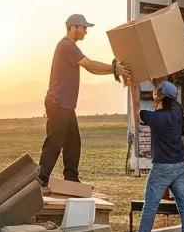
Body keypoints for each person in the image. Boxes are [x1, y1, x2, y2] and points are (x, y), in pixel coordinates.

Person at [37, 13, 128, 186]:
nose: (86, 31)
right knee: (54, 143)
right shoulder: (66, 46)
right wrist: (115, 68)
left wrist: (114, 70)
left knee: (73, 143)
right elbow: (90, 64)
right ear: (73, 28)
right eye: (83, 27)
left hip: (65, 105)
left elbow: (92, 69)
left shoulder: (70, 47)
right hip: (58, 103)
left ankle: (71, 179)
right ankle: (40, 180)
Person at [124, 80, 184, 232]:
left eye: (156, 92)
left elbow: (138, 111)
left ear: (161, 96)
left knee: (150, 206)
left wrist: (134, 88)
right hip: (179, 165)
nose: (153, 93)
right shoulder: (177, 111)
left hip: (162, 168)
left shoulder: (157, 119)